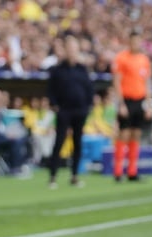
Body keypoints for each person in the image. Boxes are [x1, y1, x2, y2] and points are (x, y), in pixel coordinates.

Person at [46, 35, 94, 189]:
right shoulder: (57, 70)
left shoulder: (82, 69)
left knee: (77, 143)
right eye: (69, 48)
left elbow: (89, 89)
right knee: (59, 142)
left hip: (80, 111)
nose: (72, 52)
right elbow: (51, 90)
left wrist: (88, 105)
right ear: (65, 50)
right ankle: (53, 176)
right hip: (64, 111)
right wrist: (54, 105)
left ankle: (74, 175)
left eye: (74, 49)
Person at [112, 30, 152, 182]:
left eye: (138, 41)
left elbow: (146, 82)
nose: (136, 44)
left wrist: (148, 104)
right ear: (129, 42)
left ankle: (132, 171)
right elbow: (117, 82)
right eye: (133, 41)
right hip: (127, 100)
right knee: (124, 134)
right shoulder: (122, 58)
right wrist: (121, 103)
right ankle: (117, 171)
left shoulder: (144, 59)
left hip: (139, 100)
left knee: (136, 134)